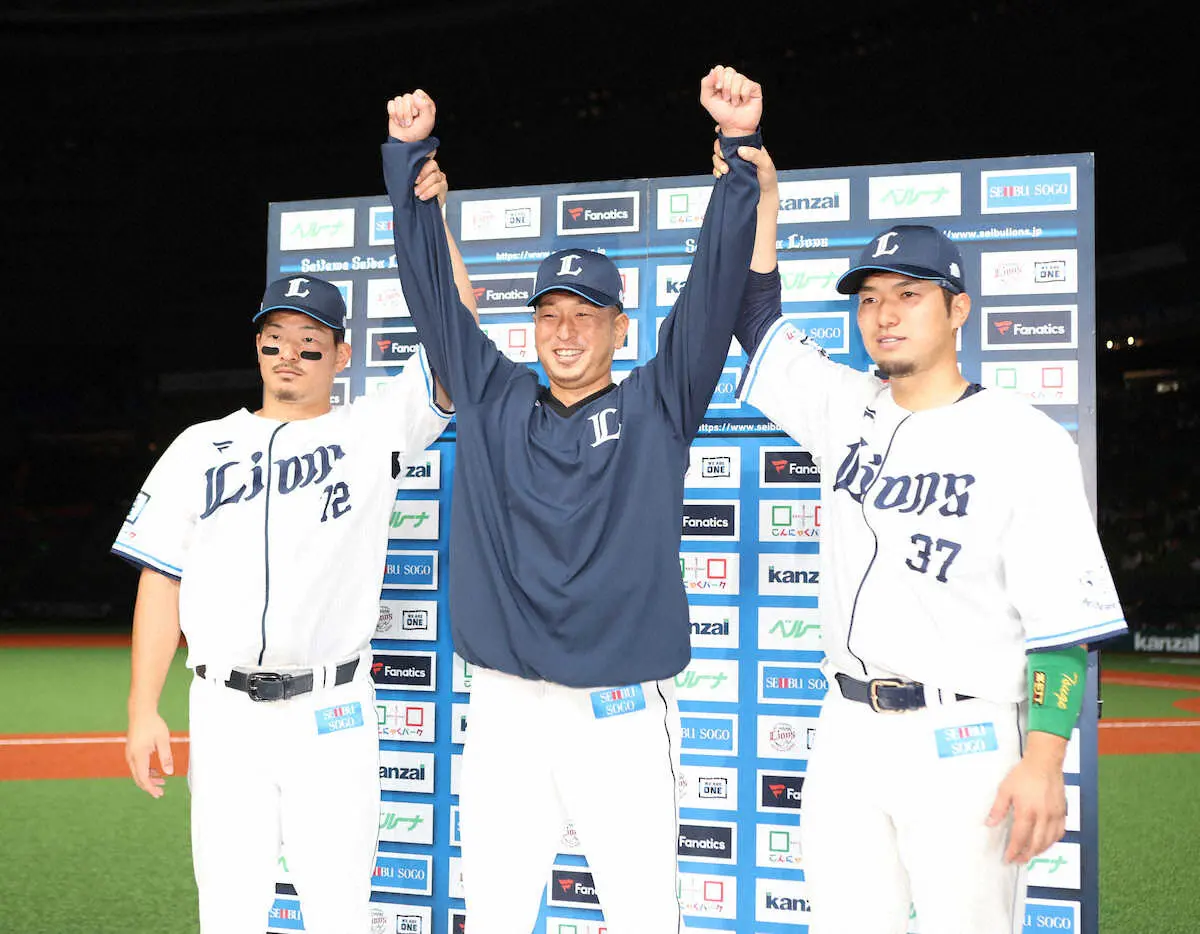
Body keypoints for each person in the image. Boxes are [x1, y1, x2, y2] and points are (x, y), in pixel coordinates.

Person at [380, 66, 763, 933]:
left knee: (639, 917)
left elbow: (709, 296)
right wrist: (408, 166)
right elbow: (432, 295)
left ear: (621, 327)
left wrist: (739, 154)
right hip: (508, 710)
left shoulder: (657, 403)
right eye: (550, 311)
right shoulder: (490, 394)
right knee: (499, 914)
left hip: (620, 715)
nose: (564, 329)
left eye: (586, 313)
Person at [711, 141, 1127, 934]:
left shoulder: (1026, 440)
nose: (885, 315)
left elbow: (1061, 629)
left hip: (962, 736)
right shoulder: (845, 407)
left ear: (958, 308)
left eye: (910, 294)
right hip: (845, 731)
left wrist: (1043, 760)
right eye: (868, 300)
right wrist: (759, 192)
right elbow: (755, 320)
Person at [112, 165, 474, 934]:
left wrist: (431, 211)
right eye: (275, 342)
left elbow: (458, 325)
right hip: (224, 709)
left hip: (331, 709)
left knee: (337, 909)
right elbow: (160, 582)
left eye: (311, 346)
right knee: (230, 910)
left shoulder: (376, 428)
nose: (289, 357)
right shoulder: (198, 446)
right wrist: (144, 708)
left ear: (342, 357)